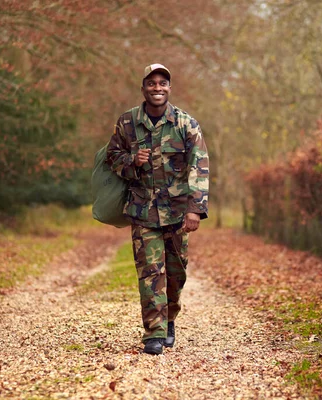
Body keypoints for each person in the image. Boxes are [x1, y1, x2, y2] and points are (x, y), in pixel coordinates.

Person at [106, 63, 209, 355]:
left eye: (163, 83)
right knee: (151, 272)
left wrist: (195, 209)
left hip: (178, 213)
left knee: (176, 275)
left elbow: (199, 168)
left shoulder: (186, 124)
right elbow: (111, 157)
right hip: (143, 212)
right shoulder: (127, 123)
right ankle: (154, 332)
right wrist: (131, 161)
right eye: (151, 83)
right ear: (143, 88)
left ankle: (170, 317)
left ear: (169, 88)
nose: (157, 88)